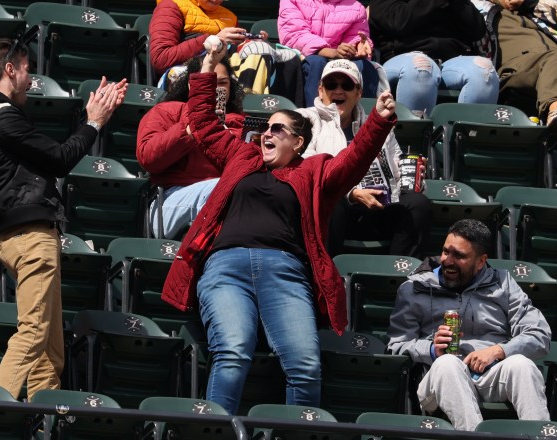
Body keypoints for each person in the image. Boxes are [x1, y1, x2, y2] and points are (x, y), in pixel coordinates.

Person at [161, 40, 397, 415]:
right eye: (266, 129)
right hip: (225, 268)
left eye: (278, 130)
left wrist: (379, 122)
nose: (266, 134)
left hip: (285, 273)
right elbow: (204, 123)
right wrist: (208, 65)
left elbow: (353, 161)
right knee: (232, 352)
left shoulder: (314, 169)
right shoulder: (242, 155)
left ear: (299, 142)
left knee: (304, 366)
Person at [0, 37, 127, 401]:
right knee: (34, 333)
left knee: (50, 349)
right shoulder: (0, 114)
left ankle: (43, 418)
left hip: (24, 236)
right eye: (27, 69)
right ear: (9, 70)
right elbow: (59, 158)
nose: (31, 78)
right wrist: (93, 123)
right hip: (31, 237)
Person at [387, 219, 551, 431]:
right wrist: (430, 349)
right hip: (436, 380)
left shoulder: (503, 283)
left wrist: (499, 350)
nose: (448, 261)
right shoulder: (415, 287)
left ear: (481, 261)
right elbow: (395, 345)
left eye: (460, 256)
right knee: (448, 364)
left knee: (522, 365)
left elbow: (540, 335)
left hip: (490, 374)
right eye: (446, 252)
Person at [297, 59, 431, 258]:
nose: (338, 91)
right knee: (330, 202)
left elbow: (397, 173)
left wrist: (414, 179)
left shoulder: (377, 125)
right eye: (331, 85)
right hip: (333, 211)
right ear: (320, 90)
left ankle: (400, 277)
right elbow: (305, 170)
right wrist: (351, 194)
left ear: (359, 93)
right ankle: (325, 278)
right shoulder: (306, 120)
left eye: (347, 85)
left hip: (378, 208)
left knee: (417, 203)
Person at [137, 55, 245, 239]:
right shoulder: (166, 112)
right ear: (192, 85)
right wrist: (191, 127)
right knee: (222, 187)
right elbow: (148, 158)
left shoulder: (240, 123)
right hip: (171, 199)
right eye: (210, 82)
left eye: (223, 83)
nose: (217, 89)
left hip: (225, 197)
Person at [150, 0, 303, 103]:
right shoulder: (171, 6)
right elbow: (161, 59)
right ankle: (245, 106)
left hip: (226, 66)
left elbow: (236, 50)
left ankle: (255, 106)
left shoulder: (228, 16)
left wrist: (252, 41)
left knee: (274, 53)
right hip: (191, 66)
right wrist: (211, 40)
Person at [368, 0, 500, 117]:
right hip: (402, 57)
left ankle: (466, 142)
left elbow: (477, 31)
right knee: (421, 70)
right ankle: (411, 141)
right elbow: (398, 22)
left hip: (450, 61)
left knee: (484, 71)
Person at [470, 0, 557, 127]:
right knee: (555, 57)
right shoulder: (477, 9)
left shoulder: (536, 9)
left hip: (555, 65)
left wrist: (529, 3)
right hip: (510, 72)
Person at [278, 0, 380, 107]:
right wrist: (332, 52)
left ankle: (363, 119)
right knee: (316, 63)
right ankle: (312, 117)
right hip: (303, 57)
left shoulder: (357, 7)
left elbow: (356, 37)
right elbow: (295, 35)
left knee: (363, 65)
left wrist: (358, 47)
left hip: (340, 59)